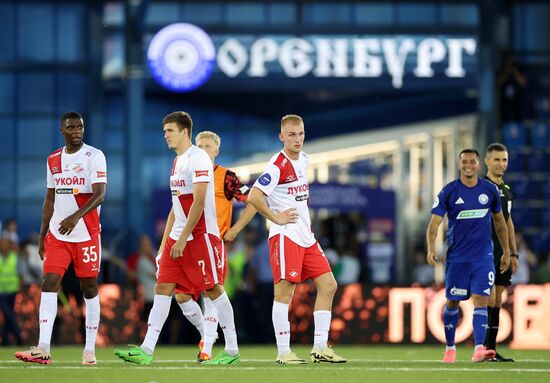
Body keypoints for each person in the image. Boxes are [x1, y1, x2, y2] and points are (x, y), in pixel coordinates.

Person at [114, 111, 240, 365]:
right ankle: (146, 350)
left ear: (185, 132)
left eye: (170, 131)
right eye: (164, 132)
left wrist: (183, 237)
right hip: (178, 236)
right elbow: (177, 206)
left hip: (200, 235)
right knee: (163, 288)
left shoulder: (199, 158)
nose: (166, 136)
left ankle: (232, 350)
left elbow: (199, 201)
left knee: (213, 289)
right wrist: (165, 244)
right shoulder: (177, 161)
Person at [247, 114, 346, 364]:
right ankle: (283, 352)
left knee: (329, 285)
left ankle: (320, 348)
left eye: (300, 133)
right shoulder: (277, 165)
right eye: (291, 134)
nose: (297, 138)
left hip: (306, 235)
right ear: (281, 137)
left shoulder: (304, 159)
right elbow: (254, 196)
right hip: (285, 235)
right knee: (284, 293)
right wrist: (274, 217)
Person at [15, 111, 107, 365]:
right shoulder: (53, 159)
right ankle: (43, 346)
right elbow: (50, 198)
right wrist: (43, 234)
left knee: (88, 288)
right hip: (58, 235)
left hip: (87, 234)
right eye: (71, 127)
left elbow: (99, 194)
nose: (77, 131)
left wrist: (76, 217)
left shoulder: (94, 156)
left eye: (80, 127)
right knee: (49, 282)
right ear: (62, 130)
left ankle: (89, 350)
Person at [173, 131, 256, 361]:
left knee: (210, 294)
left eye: (207, 146)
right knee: (181, 296)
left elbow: (254, 201)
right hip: (188, 242)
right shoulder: (188, 174)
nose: (202, 149)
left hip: (212, 243)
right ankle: (206, 333)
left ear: (216, 151)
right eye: (199, 145)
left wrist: (236, 229)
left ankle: (207, 348)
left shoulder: (226, 177)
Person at [426, 149, 510, 363]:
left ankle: (479, 349)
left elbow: (500, 223)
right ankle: (450, 348)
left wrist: (507, 251)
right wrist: (431, 248)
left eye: (472, 162)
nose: (468, 165)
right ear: (459, 165)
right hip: (457, 259)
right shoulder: (449, 191)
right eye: (464, 162)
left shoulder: (489, 190)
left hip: (483, 258)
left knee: (481, 299)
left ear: (478, 165)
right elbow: (434, 224)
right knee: (453, 302)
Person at [483, 143, 518, 362]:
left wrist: (513, 253)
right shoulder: (481, 188)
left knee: (498, 300)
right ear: (487, 161)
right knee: (489, 298)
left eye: (504, 160)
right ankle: (484, 348)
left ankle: (491, 349)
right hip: (486, 251)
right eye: (497, 159)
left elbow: (508, 221)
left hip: (503, 252)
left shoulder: (506, 190)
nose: (501, 164)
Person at [0, 236, 24, 345]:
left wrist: (20, 287)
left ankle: (5, 340)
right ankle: (18, 335)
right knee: (9, 314)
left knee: (8, 315)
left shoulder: (15, 257)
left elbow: (20, 273)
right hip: (1, 292)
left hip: (12, 291)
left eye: (4, 244)